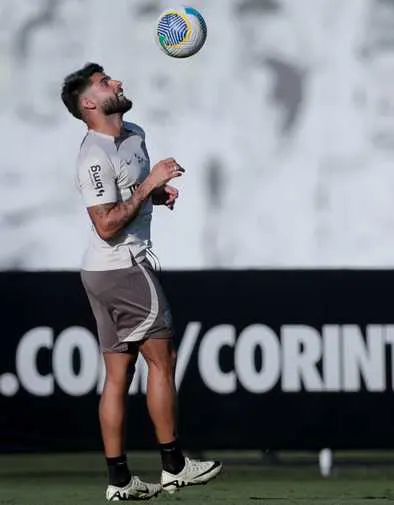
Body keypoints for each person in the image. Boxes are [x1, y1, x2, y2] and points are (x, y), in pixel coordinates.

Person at [60, 62, 222, 501]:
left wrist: (153, 193)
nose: (117, 82)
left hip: (105, 271)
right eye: (104, 82)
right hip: (121, 267)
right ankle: (174, 465)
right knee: (163, 358)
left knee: (119, 373)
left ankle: (119, 481)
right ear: (89, 103)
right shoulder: (94, 154)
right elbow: (107, 225)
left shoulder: (134, 133)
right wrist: (151, 181)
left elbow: (127, 194)